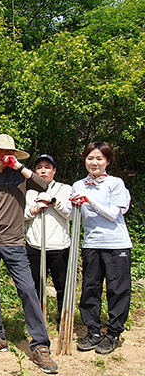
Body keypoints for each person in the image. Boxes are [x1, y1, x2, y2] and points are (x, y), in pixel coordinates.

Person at [0, 134, 58, 374]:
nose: (1, 155)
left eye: (6, 151)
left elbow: (44, 186)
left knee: (27, 289)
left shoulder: (21, 175)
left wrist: (19, 167)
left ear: (13, 154)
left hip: (13, 242)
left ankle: (40, 344)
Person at [71, 142, 132, 354]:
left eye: (99, 158)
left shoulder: (115, 184)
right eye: (90, 158)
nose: (94, 162)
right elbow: (73, 216)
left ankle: (113, 333)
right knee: (90, 288)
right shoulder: (78, 185)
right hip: (91, 243)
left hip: (116, 244)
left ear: (107, 161)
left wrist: (88, 200)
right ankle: (93, 331)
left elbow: (114, 214)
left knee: (117, 289)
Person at [23, 154, 71, 324]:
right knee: (35, 285)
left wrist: (54, 202)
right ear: (34, 171)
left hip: (59, 246)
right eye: (39, 167)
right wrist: (35, 208)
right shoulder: (28, 191)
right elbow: (21, 216)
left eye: (47, 167)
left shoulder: (65, 189)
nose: (43, 171)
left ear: (54, 170)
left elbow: (71, 215)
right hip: (35, 246)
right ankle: (37, 319)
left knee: (62, 285)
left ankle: (63, 318)